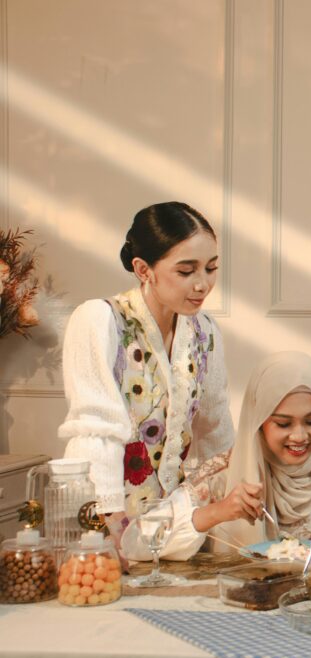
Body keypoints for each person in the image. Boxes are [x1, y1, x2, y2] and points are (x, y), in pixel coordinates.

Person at [58, 201, 256, 561]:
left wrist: (231, 502)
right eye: (186, 271)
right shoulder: (99, 321)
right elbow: (95, 431)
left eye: (211, 268)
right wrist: (110, 530)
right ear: (143, 269)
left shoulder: (205, 333)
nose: (203, 284)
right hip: (105, 522)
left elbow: (216, 432)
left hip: (174, 525)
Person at [211, 351, 311, 550]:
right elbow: (174, 538)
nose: (299, 436)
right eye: (283, 424)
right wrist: (218, 511)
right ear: (259, 420)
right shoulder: (223, 475)